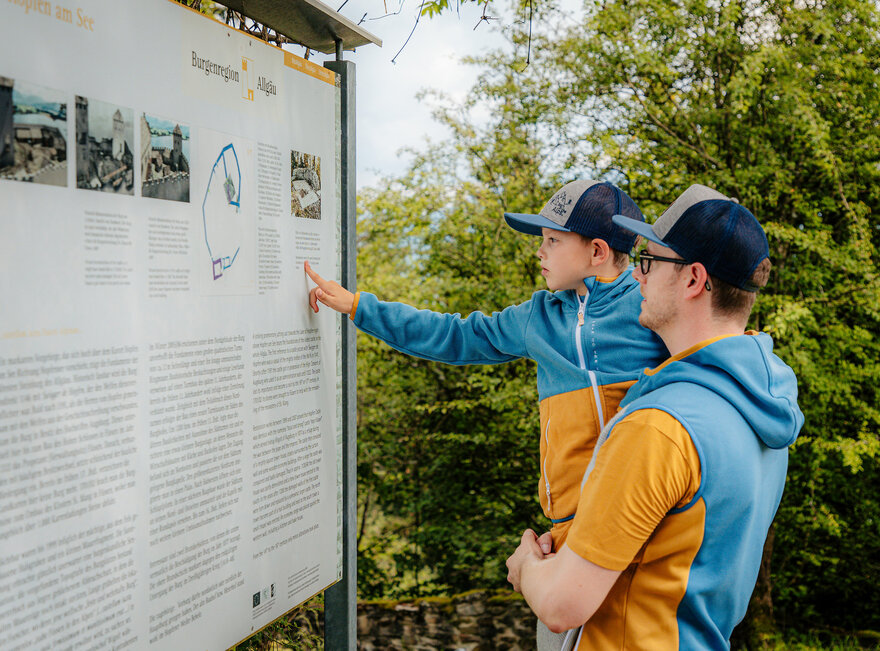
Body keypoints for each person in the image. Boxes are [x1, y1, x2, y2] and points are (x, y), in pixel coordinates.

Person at [505, 184, 805, 651]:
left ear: (692, 280)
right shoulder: (762, 413)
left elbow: (563, 605)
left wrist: (526, 565)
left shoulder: (658, 426)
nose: (637, 278)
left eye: (649, 262)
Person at [305, 179, 667, 550]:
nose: (539, 252)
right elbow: (455, 335)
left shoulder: (652, 309)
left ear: (597, 251)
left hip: (646, 521)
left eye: (552, 240)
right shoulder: (537, 317)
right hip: (570, 530)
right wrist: (359, 306)